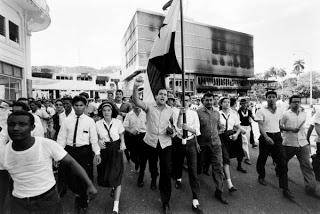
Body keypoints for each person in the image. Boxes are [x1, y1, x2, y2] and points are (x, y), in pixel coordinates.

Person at [0, 111, 97, 214]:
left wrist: (89, 184)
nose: (15, 128)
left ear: (32, 127)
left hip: (48, 201)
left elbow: (72, 163)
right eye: (11, 124)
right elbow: (3, 181)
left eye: (22, 124)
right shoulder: (3, 153)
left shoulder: (46, 144)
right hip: (19, 204)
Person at [132, 76, 175, 214]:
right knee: (152, 166)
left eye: (165, 94)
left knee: (166, 172)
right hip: (150, 142)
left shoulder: (170, 110)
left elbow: (174, 127)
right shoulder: (149, 106)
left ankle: (165, 201)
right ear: (156, 97)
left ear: (167, 97)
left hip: (165, 144)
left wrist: (172, 131)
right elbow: (137, 101)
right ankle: (153, 179)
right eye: (160, 94)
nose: (163, 96)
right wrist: (135, 87)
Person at [57, 96, 101, 213]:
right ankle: (78, 194)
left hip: (84, 152)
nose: (78, 107)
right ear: (73, 106)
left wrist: (97, 153)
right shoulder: (66, 120)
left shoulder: (90, 121)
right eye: (76, 105)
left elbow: (94, 139)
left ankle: (82, 200)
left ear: (85, 106)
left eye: (81, 105)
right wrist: (58, 154)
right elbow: (61, 138)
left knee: (84, 175)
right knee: (70, 176)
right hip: (70, 151)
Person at [280, 95, 320, 199]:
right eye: (294, 102)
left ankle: (311, 188)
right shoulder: (285, 114)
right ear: (290, 103)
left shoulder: (304, 113)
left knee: (307, 166)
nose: (296, 103)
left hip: (302, 143)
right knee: (283, 163)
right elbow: (280, 126)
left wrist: (307, 139)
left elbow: (307, 127)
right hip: (289, 144)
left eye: (298, 102)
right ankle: (278, 170)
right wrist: (290, 129)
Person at [255, 91, 291, 199]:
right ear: (266, 98)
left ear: (276, 98)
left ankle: (285, 188)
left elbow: (279, 124)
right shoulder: (261, 111)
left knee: (282, 160)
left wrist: (282, 133)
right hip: (265, 137)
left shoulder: (280, 111)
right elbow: (260, 126)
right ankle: (261, 176)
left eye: (273, 97)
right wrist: (266, 137)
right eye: (269, 97)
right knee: (263, 158)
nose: (271, 98)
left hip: (277, 137)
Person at [197, 92, 227, 205]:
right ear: (203, 101)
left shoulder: (217, 113)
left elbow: (219, 125)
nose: (209, 102)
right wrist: (197, 143)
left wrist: (221, 128)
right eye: (207, 100)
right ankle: (196, 190)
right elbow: (195, 128)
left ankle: (219, 191)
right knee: (199, 165)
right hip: (202, 144)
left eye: (211, 100)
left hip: (216, 143)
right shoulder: (198, 112)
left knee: (218, 166)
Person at [175, 94, 203, 214]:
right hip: (179, 140)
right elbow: (176, 126)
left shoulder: (194, 113)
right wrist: (180, 115)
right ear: (180, 101)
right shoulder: (176, 112)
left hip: (191, 141)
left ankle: (195, 199)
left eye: (187, 100)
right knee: (178, 162)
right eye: (183, 100)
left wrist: (189, 128)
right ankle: (179, 178)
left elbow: (197, 130)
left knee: (193, 169)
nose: (185, 102)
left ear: (190, 101)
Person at [96, 102, 126, 214]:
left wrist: (123, 143)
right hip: (105, 150)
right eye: (104, 110)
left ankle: (115, 206)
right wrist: (98, 141)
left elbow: (122, 134)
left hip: (116, 148)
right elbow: (96, 136)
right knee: (107, 175)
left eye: (109, 110)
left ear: (112, 111)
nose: (106, 112)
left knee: (117, 175)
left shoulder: (117, 122)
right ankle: (113, 186)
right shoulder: (98, 123)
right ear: (101, 112)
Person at [219, 97, 245, 193]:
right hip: (221, 137)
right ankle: (230, 184)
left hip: (230, 137)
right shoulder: (218, 114)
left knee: (227, 158)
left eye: (228, 102)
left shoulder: (233, 114)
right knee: (226, 159)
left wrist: (236, 134)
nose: (227, 103)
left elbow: (239, 127)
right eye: (224, 102)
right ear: (221, 104)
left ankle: (222, 171)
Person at [123, 100, 148, 185]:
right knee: (133, 156)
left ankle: (141, 178)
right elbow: (125, 126)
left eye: (138, 103)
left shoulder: (145, 114)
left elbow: (149, 125)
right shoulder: (129, 114)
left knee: (143, 158)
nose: (137, 105)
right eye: (134, 103)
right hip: (132, 138)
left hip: (143, 137)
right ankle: (136, 162)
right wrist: (130, 131)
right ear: (132, 104)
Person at [238, 98, 256, 164]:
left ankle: (243, 155)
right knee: (244, 142)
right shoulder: (238, 112)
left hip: (248, 128)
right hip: (241, 128)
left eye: (245, 103)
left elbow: (254, 118)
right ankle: (247, 158)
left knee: (246, 143)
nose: (244, 105)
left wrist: (260, 120)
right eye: (242, 103)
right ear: (240, 104)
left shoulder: (249, 111)